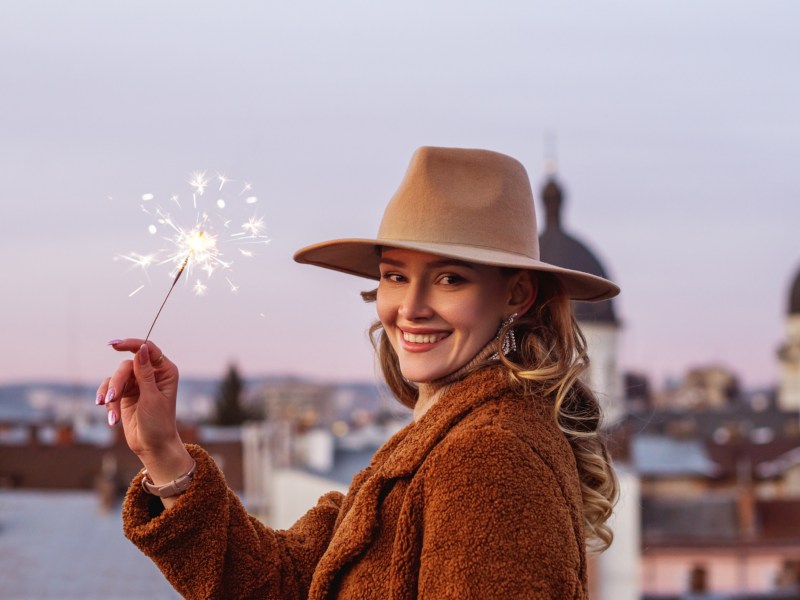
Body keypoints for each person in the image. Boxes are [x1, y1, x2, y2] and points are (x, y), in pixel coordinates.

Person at [98, 146, 619, 599]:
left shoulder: (488, 458)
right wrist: (163, 451)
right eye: (395, 275)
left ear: (516, 294)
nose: (410, 307)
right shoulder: (441, 441)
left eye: (449, 279)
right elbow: (282, 584)